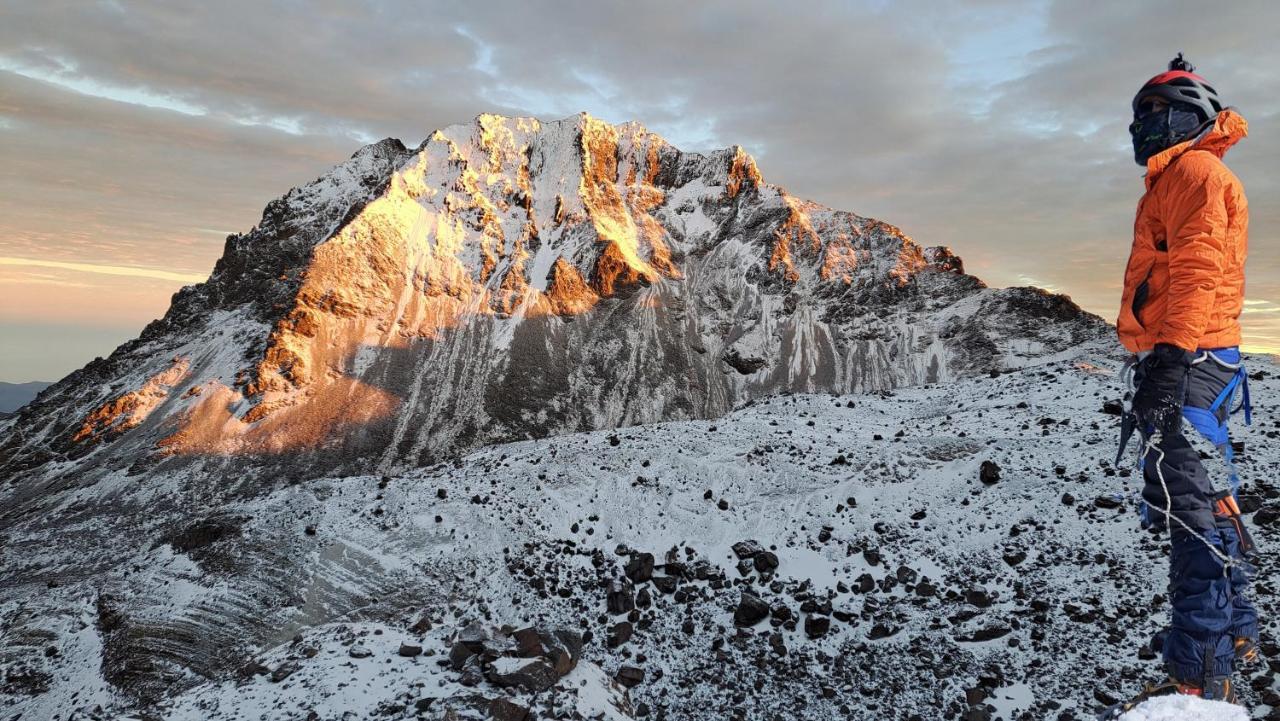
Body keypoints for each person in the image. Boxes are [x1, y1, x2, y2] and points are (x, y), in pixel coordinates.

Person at [1115, 53, 1255, 705]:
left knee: (1191, 515)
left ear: (1189, 117)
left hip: (1190, 359)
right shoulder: (1180, 176)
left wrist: (1169, 360)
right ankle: (1237, 632)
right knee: (1203, 498)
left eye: (1155, 112)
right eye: (1138, 115)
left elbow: (1198, 270)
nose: (1143, 125)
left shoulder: (1194, 171)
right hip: (1201, 357)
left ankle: (1200, 669)